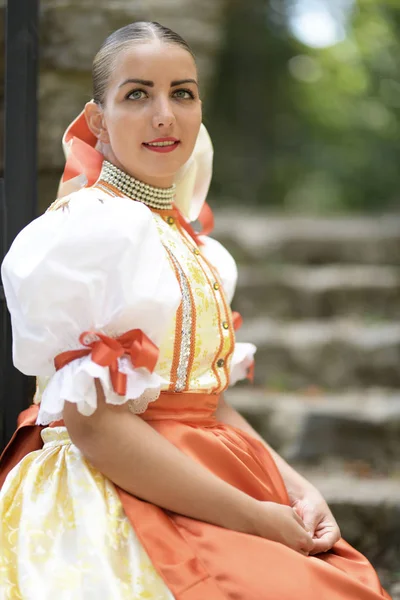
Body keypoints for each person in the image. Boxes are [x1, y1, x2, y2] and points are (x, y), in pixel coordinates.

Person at [0, 21, 391, 600]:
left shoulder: (188, 242)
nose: (165, 114)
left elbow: (208, 401)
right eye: (138, 94)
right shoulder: (90, 233)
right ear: (98, 120)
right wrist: (253, 517)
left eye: (182, 92)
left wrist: (296, 485)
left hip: (211, 471)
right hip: (117, 484)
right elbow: (95, 426)